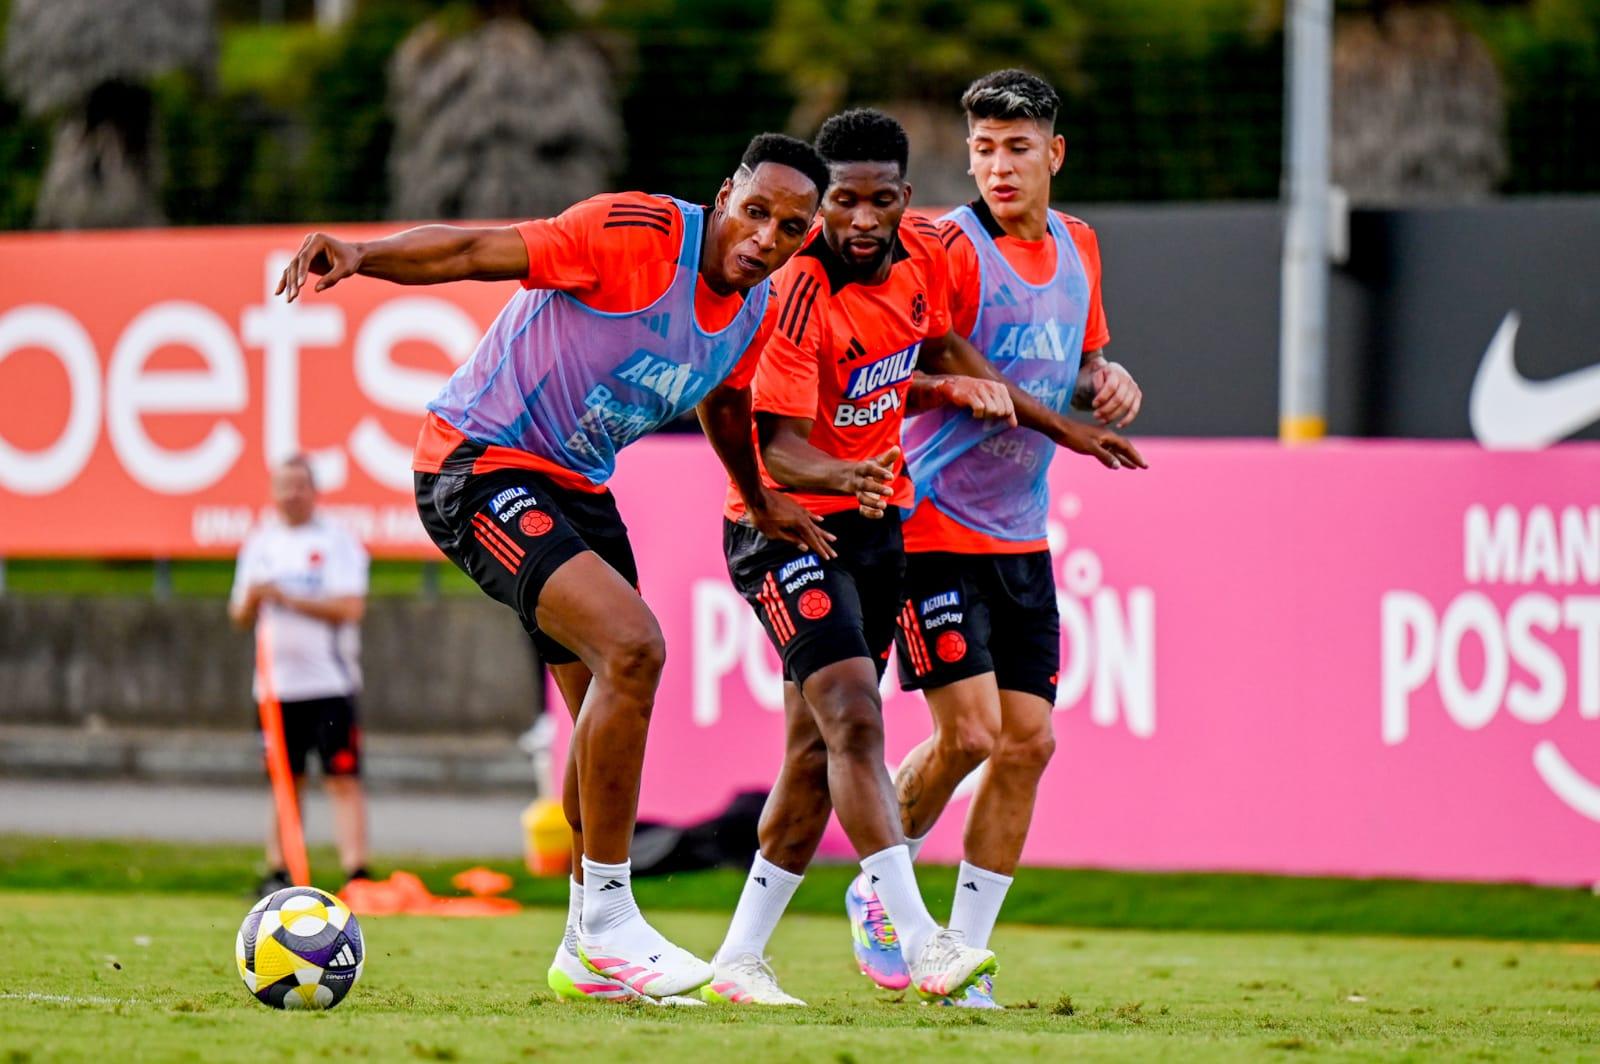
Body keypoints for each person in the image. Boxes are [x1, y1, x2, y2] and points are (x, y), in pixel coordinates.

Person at [275, 134, 833, 1004]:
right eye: (756, 211)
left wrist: (755, 495)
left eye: (791, 228)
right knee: (636, 649)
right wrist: (362, 255)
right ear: (727, 192)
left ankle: (583, 943)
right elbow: (474, 249)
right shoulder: (638, 233)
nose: (766, 237)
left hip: (577, 485)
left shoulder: (759, 308)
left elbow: (728, 403)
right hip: (477, 463)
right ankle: (613, 917)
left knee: (599, 720)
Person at [702, 109, 1143, 1007]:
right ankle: (923, 940)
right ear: (821, 205)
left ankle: (737, 960)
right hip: (786, 522)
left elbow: (937, 346)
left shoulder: (917, 264)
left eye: (882, 200)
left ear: (907, 200)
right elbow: (773, 443)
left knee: (809, 755)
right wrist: (849, 471)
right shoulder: (798, 292)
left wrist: (1059, 423)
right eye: (843, 202)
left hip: (875, 526)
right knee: (857, 722)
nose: (862, 220)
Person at [846, 69, 1146, 1009]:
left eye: (1017, 147)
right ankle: (880, 888)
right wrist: (1068, 428)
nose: (998, 165)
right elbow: (937, 355)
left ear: (1054, 153)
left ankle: (959, 962)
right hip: (931, 521)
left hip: (1021, 535)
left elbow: (1083, 355)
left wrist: (1109, 378)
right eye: (983, 148)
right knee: (970, 732)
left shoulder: (1079, 244)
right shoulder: (945, 244)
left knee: (1030, 744)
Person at [230, 454, 371, 897]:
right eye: (284, 485)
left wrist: (287, 597)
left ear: (314, 490)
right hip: (274, 690)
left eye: (300, 485)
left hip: (328, 684)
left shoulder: (336, 541)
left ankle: (356, 872)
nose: (292, 494)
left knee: (341, 777)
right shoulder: (259, 543)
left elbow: (349, 607)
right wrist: (255, 599)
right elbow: (238, 614)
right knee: (285, 781)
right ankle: (281, 868)